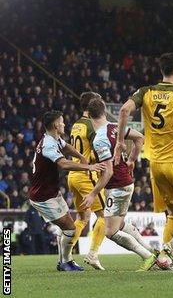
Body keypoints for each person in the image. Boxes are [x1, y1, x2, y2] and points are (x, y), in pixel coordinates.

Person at [114, 52, 173, 275]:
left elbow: (124, 109)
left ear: (162, 71)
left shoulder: (146, 92)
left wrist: (119, 143)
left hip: (155, 165)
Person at [80, 97, 158, 271]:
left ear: (88, 114)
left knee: (110, 232)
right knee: (120, 225)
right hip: (122, 183)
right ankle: (152, 252)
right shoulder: (116, 127)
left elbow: (108, 171)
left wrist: (93, 193)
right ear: (104, 110)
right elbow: (140, 138)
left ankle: (148, 257)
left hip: (118, 186)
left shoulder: (99, 139)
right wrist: (131, 160)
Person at [29, 110, 105, 271]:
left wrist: (80, 156)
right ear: (56, 125)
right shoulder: (48, 145)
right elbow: (63, 164)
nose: (64, 124)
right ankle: (66, 262)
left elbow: (67, 147)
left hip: (51, 192)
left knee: (67, 227)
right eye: (62, 122)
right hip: (43, 196)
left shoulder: (54, 139)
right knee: (70, 228)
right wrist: (89, 166)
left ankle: (63, 261)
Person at [67, 91, 107, 270]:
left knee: (82, 218)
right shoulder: (91, 125)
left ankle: (66, 256)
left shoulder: (76, 125)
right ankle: (93, 254)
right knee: (105, 215)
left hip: (73, 175)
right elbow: (97, 150)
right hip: (86, 175)